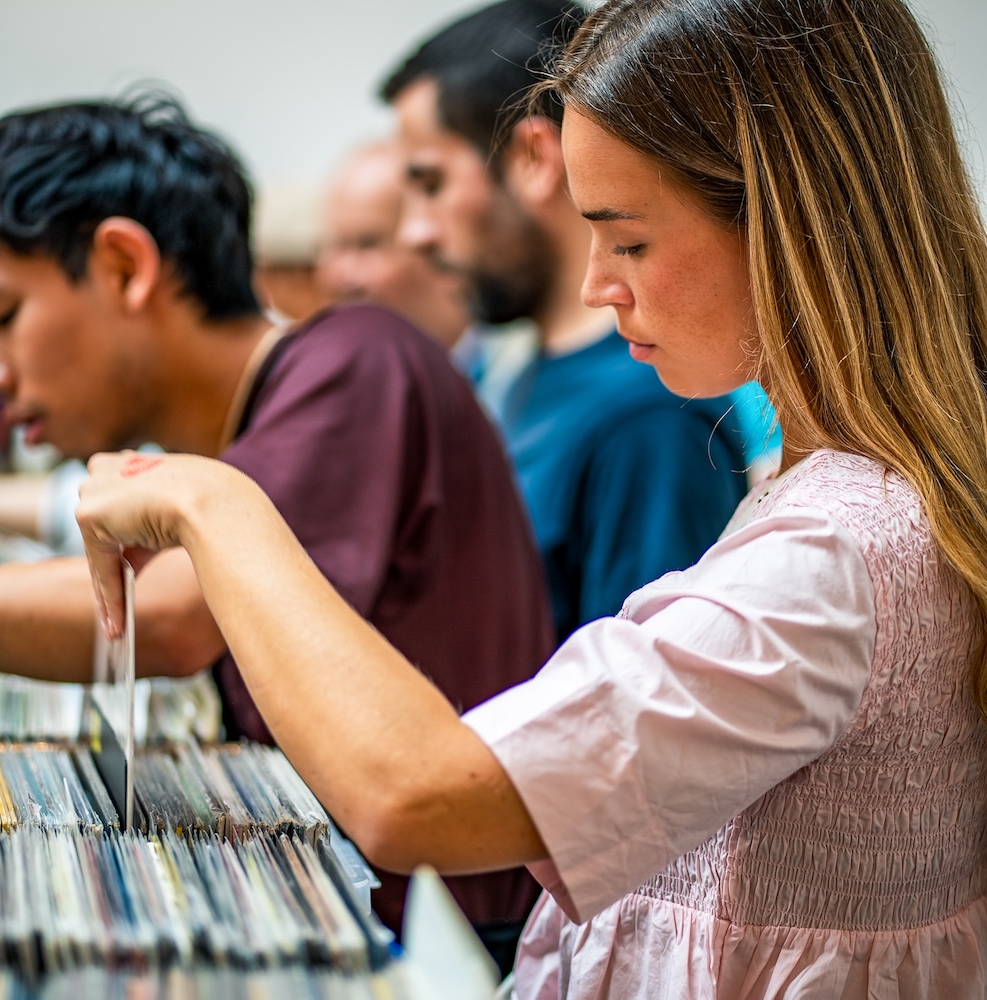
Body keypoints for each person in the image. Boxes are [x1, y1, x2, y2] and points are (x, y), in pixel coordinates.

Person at [77, 0, 987, 995]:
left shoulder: (835, 555)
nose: (598, 284)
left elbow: (412, 796)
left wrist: (216, 505)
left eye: (629, 240)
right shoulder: (842, 497)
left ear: (792, 220)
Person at [0, 93, 555, 951]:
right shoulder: (278, 411)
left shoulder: (358, 359)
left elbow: (172, 616)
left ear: (121, 267)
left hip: (444, 947)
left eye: (2, 317)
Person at [380, 0, 750, 644]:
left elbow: (638, 709)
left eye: (431, 183)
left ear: (534, 158)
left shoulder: (647, 416)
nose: (412, 233)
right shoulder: (511, 372)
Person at [315, 137, 536, 416]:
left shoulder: (517, 381)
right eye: (334, 245)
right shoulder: (337, 389)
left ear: (430, 238)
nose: (339, 274)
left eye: (367, 244)